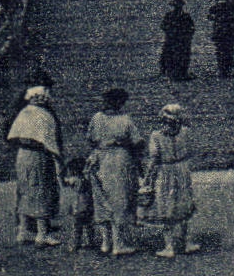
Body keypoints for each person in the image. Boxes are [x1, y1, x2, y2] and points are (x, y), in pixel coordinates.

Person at [86, 88, 145, 256]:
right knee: (120, 200)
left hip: (100, 158)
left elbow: (90, 139)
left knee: (102, 199)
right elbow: (137, 142)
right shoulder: (125, 120)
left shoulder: (96, 118)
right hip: (120, 161)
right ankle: (119, 243)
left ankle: (106, 242)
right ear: (119, 103)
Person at [6, 86, 64, 247]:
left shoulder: (23, 113)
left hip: (23, 155)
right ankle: (42, 234)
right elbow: (49, 142)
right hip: (39, 156)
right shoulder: (44, 115)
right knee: (42, 191)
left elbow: (14, 136)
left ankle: (22, 232)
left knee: (25, 191)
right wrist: (58, 159)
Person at [144, 104, 200, 257]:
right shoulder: (185, 132)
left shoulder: (156, 136)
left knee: (166, 207)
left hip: (165, 172)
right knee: (183, 205)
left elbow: (154, 159)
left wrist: (147, 179)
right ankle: (186, 243)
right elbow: (191, 151)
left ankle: (169, 246)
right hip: (182, 170)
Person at [60, 155, 96, 253]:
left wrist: (62, 174)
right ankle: (90, 242)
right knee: (88, 225)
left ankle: (75, 245)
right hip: (88, 206)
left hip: (78, 207)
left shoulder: (76, 180)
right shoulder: (87, 179)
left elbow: (64, 182)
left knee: (77, 227)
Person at [159, 0, 195, 80]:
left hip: (177, 40)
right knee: (177, 57)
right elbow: (191, 28)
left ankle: (176, 73)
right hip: (177, 40)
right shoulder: (184, 16)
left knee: (174, 56)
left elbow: (191, 29)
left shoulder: (175, 16)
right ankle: (177, 73)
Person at [208, 0, 234, 77]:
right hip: (227, 34)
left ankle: (223, 69)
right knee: (227, 50)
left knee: (221, 50)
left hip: (220, 33)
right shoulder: (230, 8)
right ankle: (226, 69)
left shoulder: (215, 8)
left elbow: (210, 16)